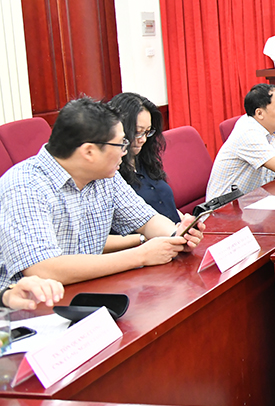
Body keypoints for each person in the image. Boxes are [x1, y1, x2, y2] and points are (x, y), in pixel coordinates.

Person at [0, 98, 205, 286]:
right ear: (89, 152)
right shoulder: (25, 186)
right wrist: (140, 255)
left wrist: (176, 236)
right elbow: (43, 269)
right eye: (120, 144)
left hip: (89, 289)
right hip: (32, 306)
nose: (124, 152)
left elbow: (147, 220)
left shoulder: (105, 176)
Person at [107, 93, 182, 234]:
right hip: (147, 243)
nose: (143, 139)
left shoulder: (145, 159)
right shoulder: (110, 173)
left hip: (172, 233)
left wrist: (185, 222)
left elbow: (164, 203)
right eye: (137, 132)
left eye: (147, 132)